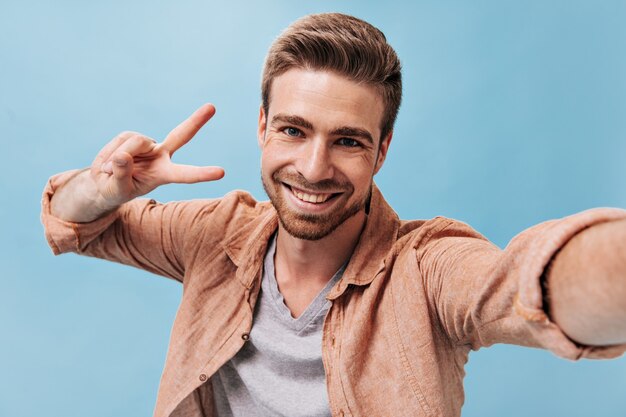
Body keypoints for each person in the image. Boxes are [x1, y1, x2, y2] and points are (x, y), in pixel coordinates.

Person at [41, 12, 626, 417]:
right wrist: (106, 187)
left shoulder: (425, 271)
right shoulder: (214, 234)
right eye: (294, 131)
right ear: (263, 126)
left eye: (347, 141)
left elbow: (524, 286)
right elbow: (76, 225)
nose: (314, 168)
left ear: (383, 149)